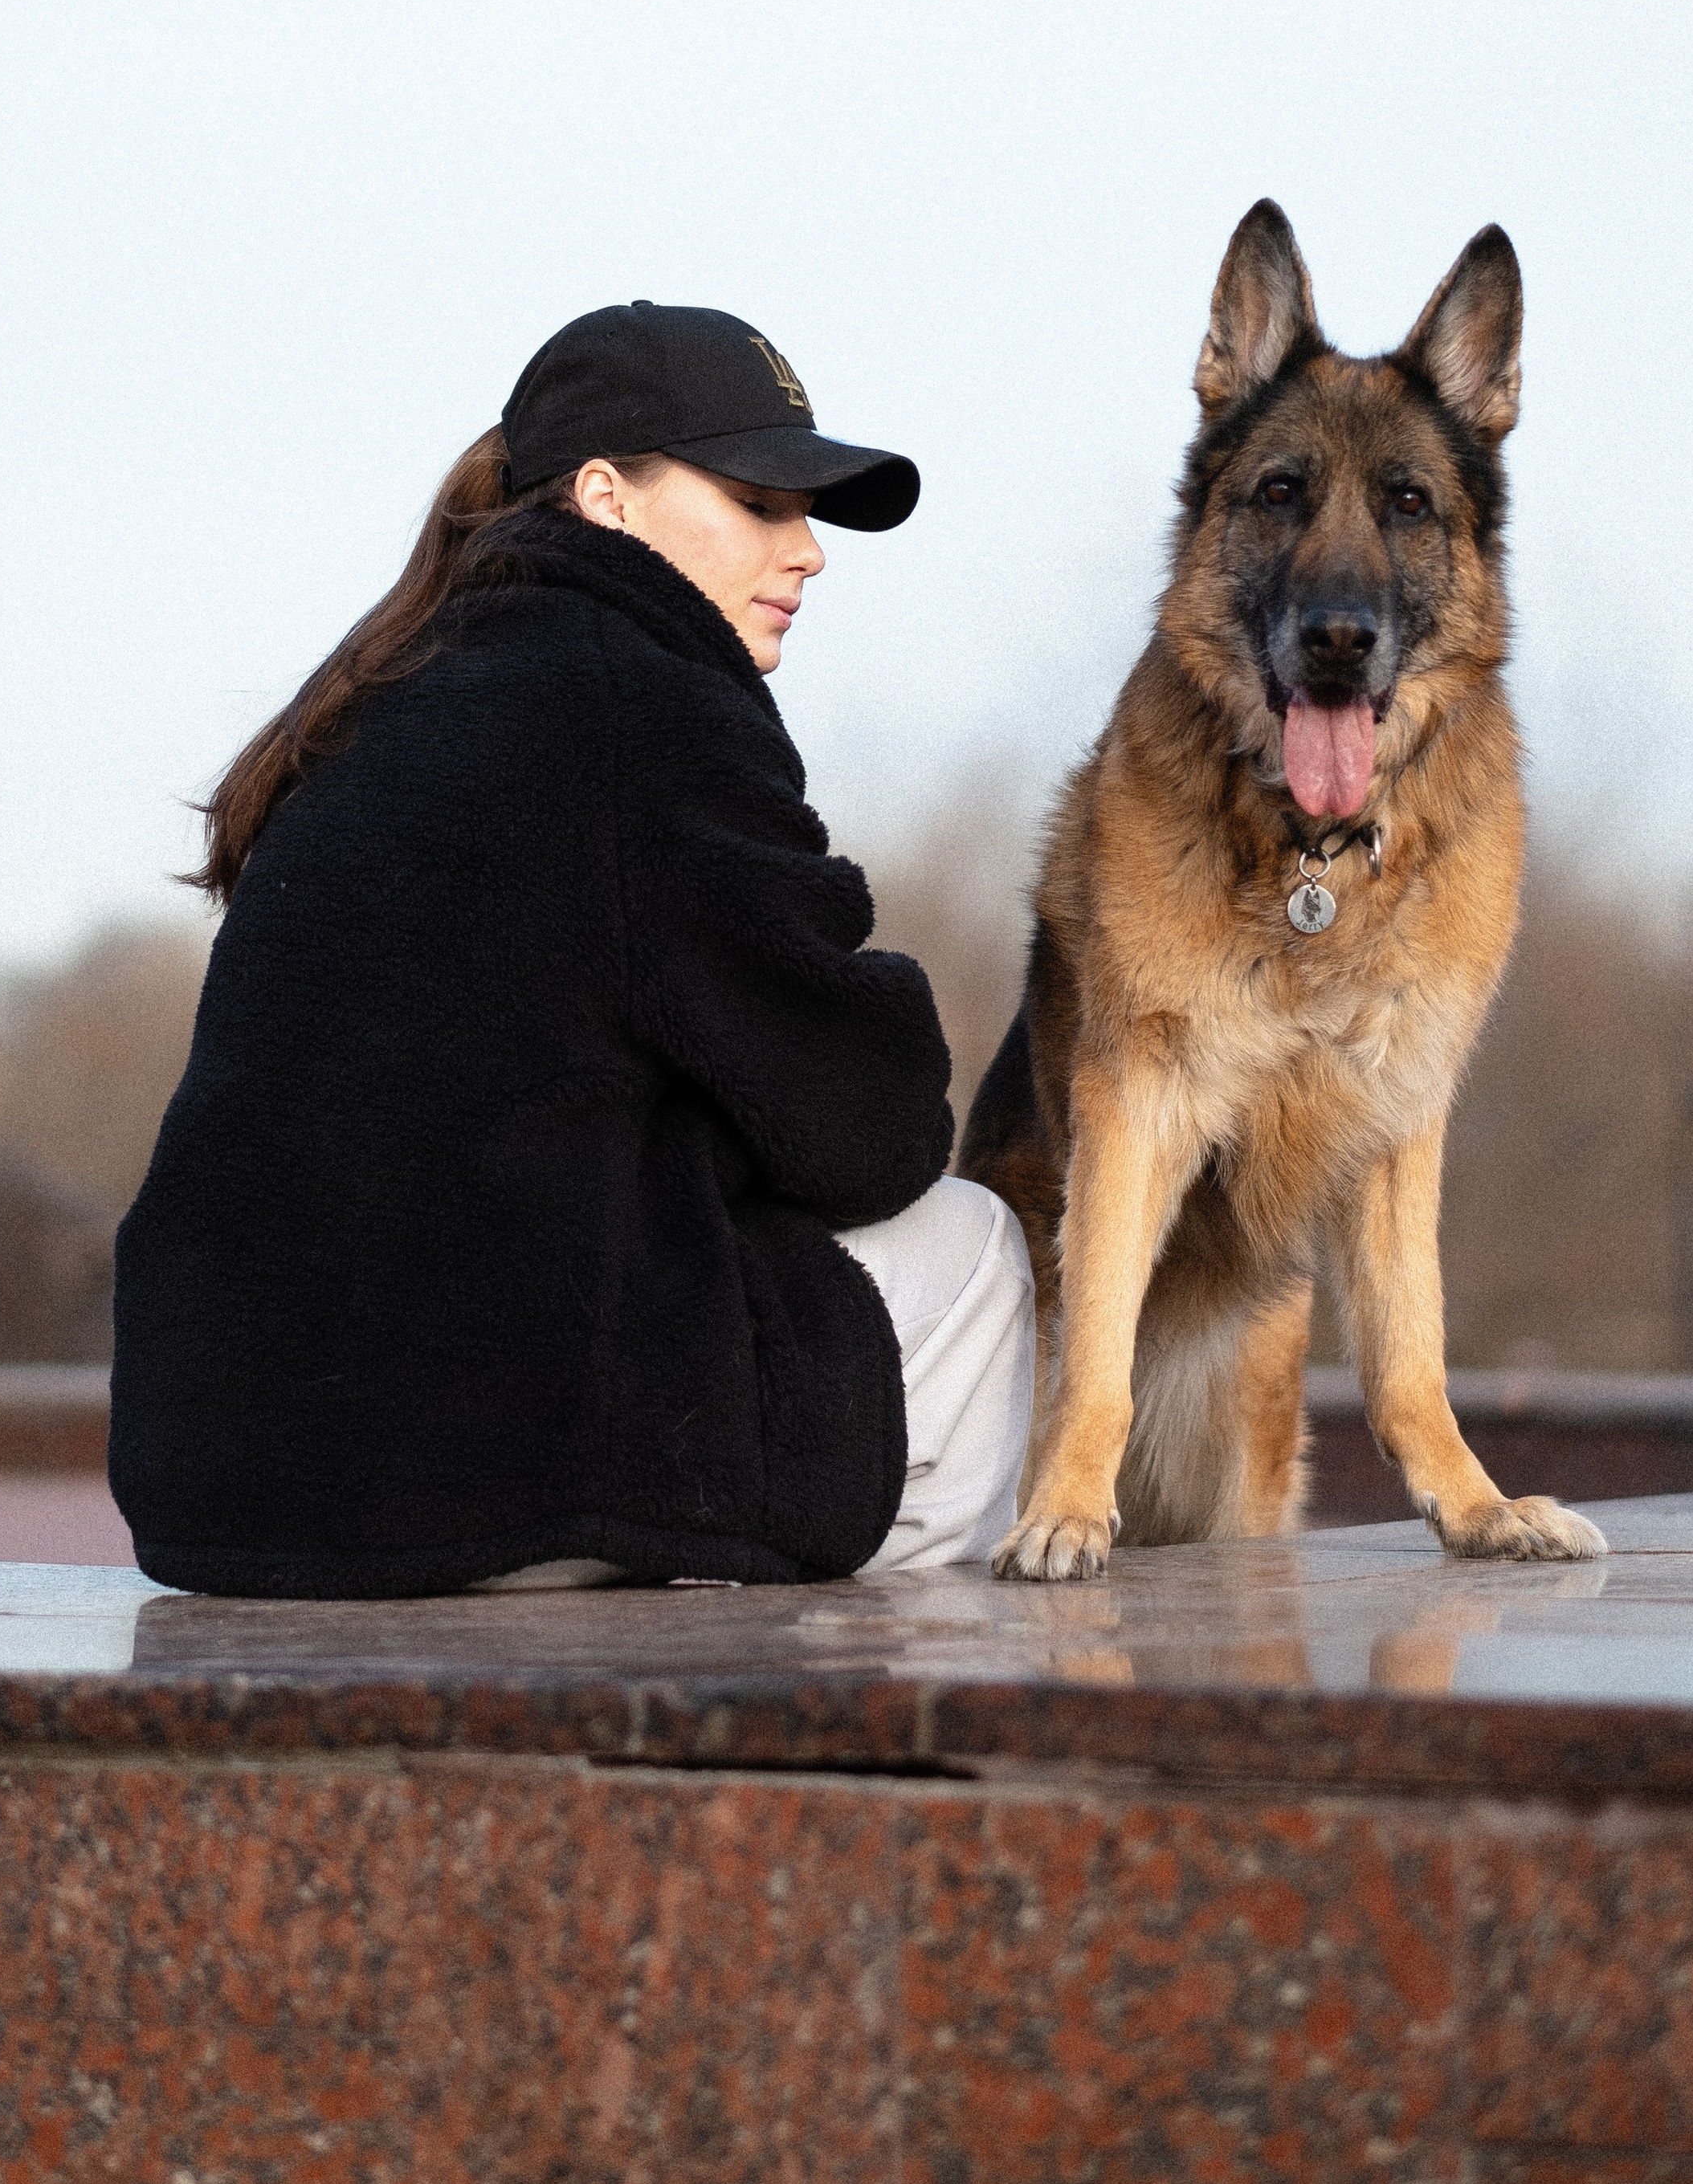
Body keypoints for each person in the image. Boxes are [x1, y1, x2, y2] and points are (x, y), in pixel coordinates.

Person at [108, 302, 1034, 1596]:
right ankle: (853, 1738)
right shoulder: (647, 698)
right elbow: (874, 1133)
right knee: (975, 1246)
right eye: (761, 502)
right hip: (479, 1494)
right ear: (607, 495)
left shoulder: (384, 700)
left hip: (224, 1494)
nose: (808, 550)